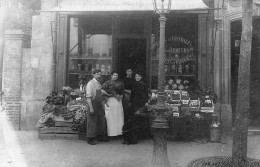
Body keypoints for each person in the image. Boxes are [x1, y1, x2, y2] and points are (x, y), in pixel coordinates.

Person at [85, 69, 108, 145]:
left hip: (99, 105)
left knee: (100, 121)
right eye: (97, 74)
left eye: (100, 74)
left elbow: (100, 93)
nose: (99, 76)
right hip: (93, 104)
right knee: (92, 122)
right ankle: (90, 139)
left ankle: (99, 137)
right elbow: (88, 97)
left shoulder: (98, 83)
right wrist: (91, 108)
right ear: (93, 74)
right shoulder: (90, 83)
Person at [101, 71, 124, 137]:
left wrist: (121, 96)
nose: (116, 76)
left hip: (118, 101)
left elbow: (122, 91)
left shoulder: (120, 83)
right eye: (114, 75)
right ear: (111, 75)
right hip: (110, 100)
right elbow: (102, 90)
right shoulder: (107, 83)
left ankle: (119, 133)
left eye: (117, 75)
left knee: (118, 116)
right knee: (111, 116)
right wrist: (108, 94)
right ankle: (111, 133)